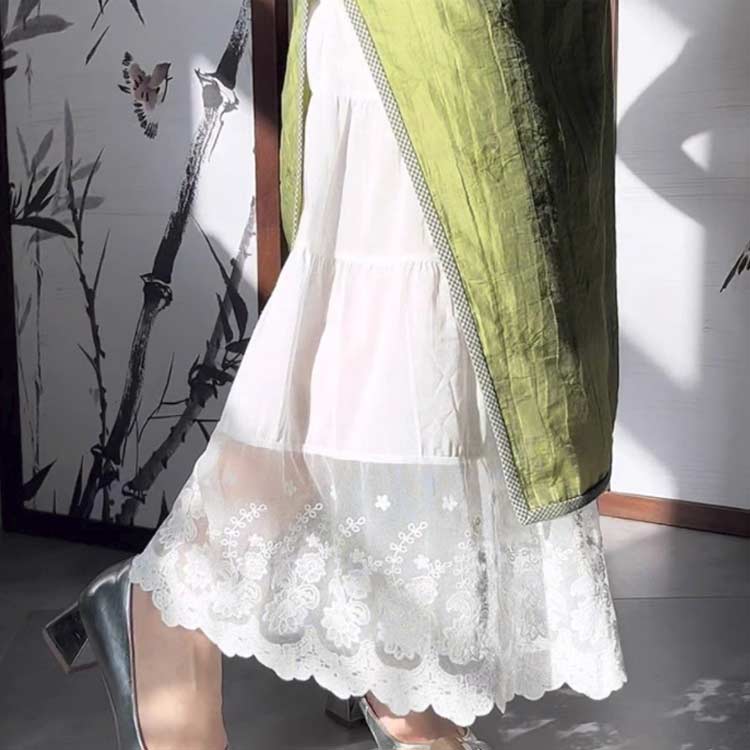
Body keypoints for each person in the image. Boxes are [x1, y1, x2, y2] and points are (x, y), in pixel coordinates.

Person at [42, 1, 627, 748]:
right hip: (417, 33)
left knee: (458, 343)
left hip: (536, 29)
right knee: (409, 336)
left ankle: (190, 617)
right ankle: (353, 678)